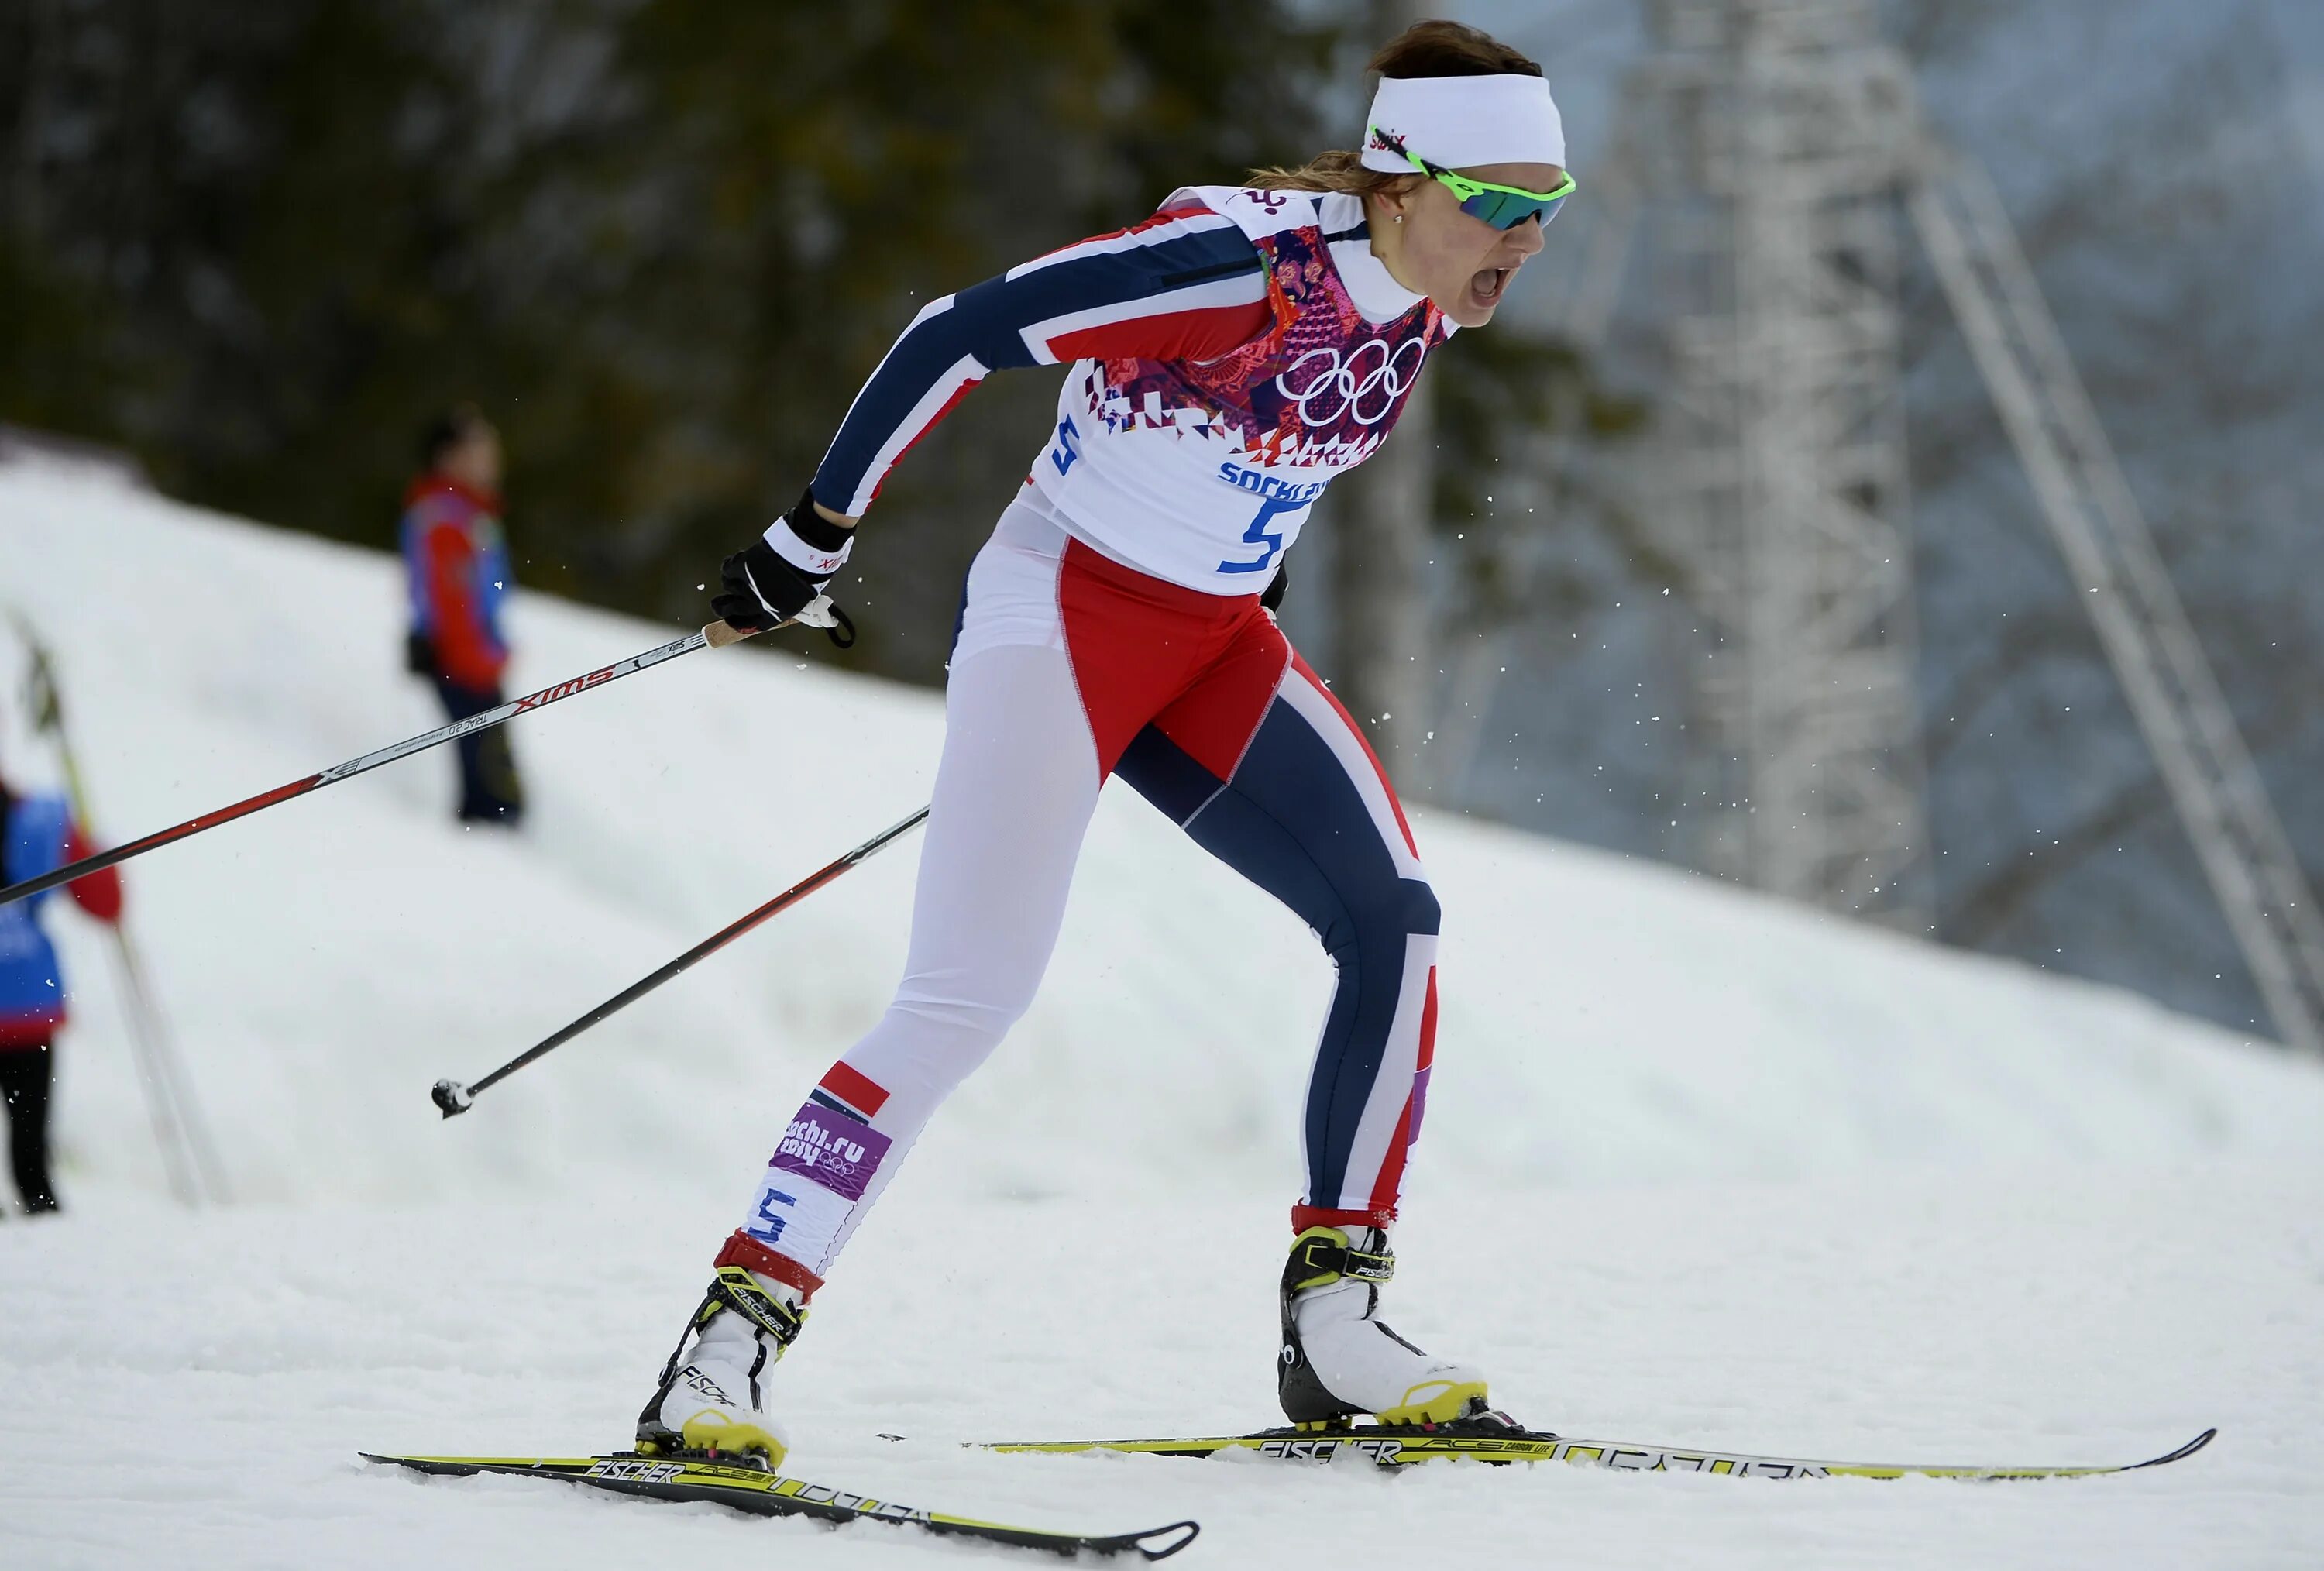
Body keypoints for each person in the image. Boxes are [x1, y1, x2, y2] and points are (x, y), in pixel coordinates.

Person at [637, 20, 1572, 1464]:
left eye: (1547, 212)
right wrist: (807, 533)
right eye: (1498, 205)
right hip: (1061, 617)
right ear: (1398, 180)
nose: (1521, 241)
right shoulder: (1235, 269)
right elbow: (954, 334)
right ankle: (726, 1342)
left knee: (1395, 919)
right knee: (967, 995)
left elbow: (1257, 452)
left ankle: (1336, 1318)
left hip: (1207, 644)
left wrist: (1231, 566)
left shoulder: (1433, 286)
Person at [0, 772, 124, 1215]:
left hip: (23, 1013)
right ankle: (41, 1216)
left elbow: (105, 903)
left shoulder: (42, 817)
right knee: (32, 1159)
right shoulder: (42, 819)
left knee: (32, 1159)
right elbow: (106, 902)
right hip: (24, 1004)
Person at [401, 404, 524, 825]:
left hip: (474, 659)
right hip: (463, 663)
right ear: (448, 458)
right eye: (479, 451)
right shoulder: (446, 519)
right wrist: (478, 658)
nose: (492, 460)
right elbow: (451, 601)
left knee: (492, 772)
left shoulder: (472, 512)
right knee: (491, 785)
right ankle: (483, 854)